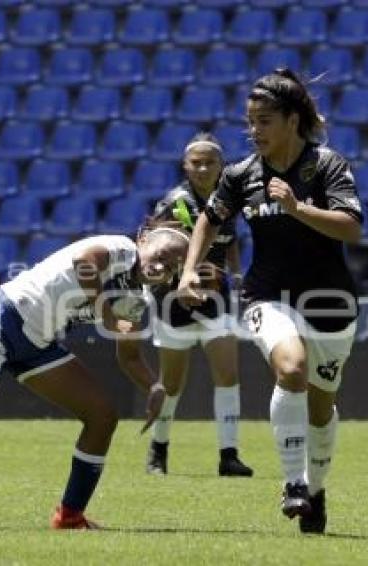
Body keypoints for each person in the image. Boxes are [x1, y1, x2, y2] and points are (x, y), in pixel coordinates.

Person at [177, 69, 363, 535]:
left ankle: (316, 492)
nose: (254, 131)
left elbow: (351, 226)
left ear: (292, 121)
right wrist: (187, 271)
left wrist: (299, 208)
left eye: (264, 121)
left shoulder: (327, 167)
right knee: (291, 368)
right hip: (268, 294)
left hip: (330, 302)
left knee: (322, 410)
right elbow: (209, 219)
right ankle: (294, 482)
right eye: (250, 122)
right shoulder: (241, 174)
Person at [0, 227, 191, 529]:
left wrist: (154, 385)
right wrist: (108, 316)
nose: (161, 267)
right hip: (4, 316)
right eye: (161, 256)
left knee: (102, 416)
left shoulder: (137, 300)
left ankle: (70, 516)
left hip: (38, 343)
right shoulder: (121, 248)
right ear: (144, 240)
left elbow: (130, 356)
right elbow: (85, 262)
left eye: (172, 268)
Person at [116, 132, 253, 478]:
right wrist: (177, 279)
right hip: (172, 301)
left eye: (210, 162)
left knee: (227, 374)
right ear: (185, 165)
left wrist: (235, 276)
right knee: (173, 383)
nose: (203, 168)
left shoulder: (228, 200)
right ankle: (158, 450)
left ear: (222, 165)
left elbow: (230, 240)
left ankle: (229, 455)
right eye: (197, 162)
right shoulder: (174, 203)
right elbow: (154, 251)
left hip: (216, 299)